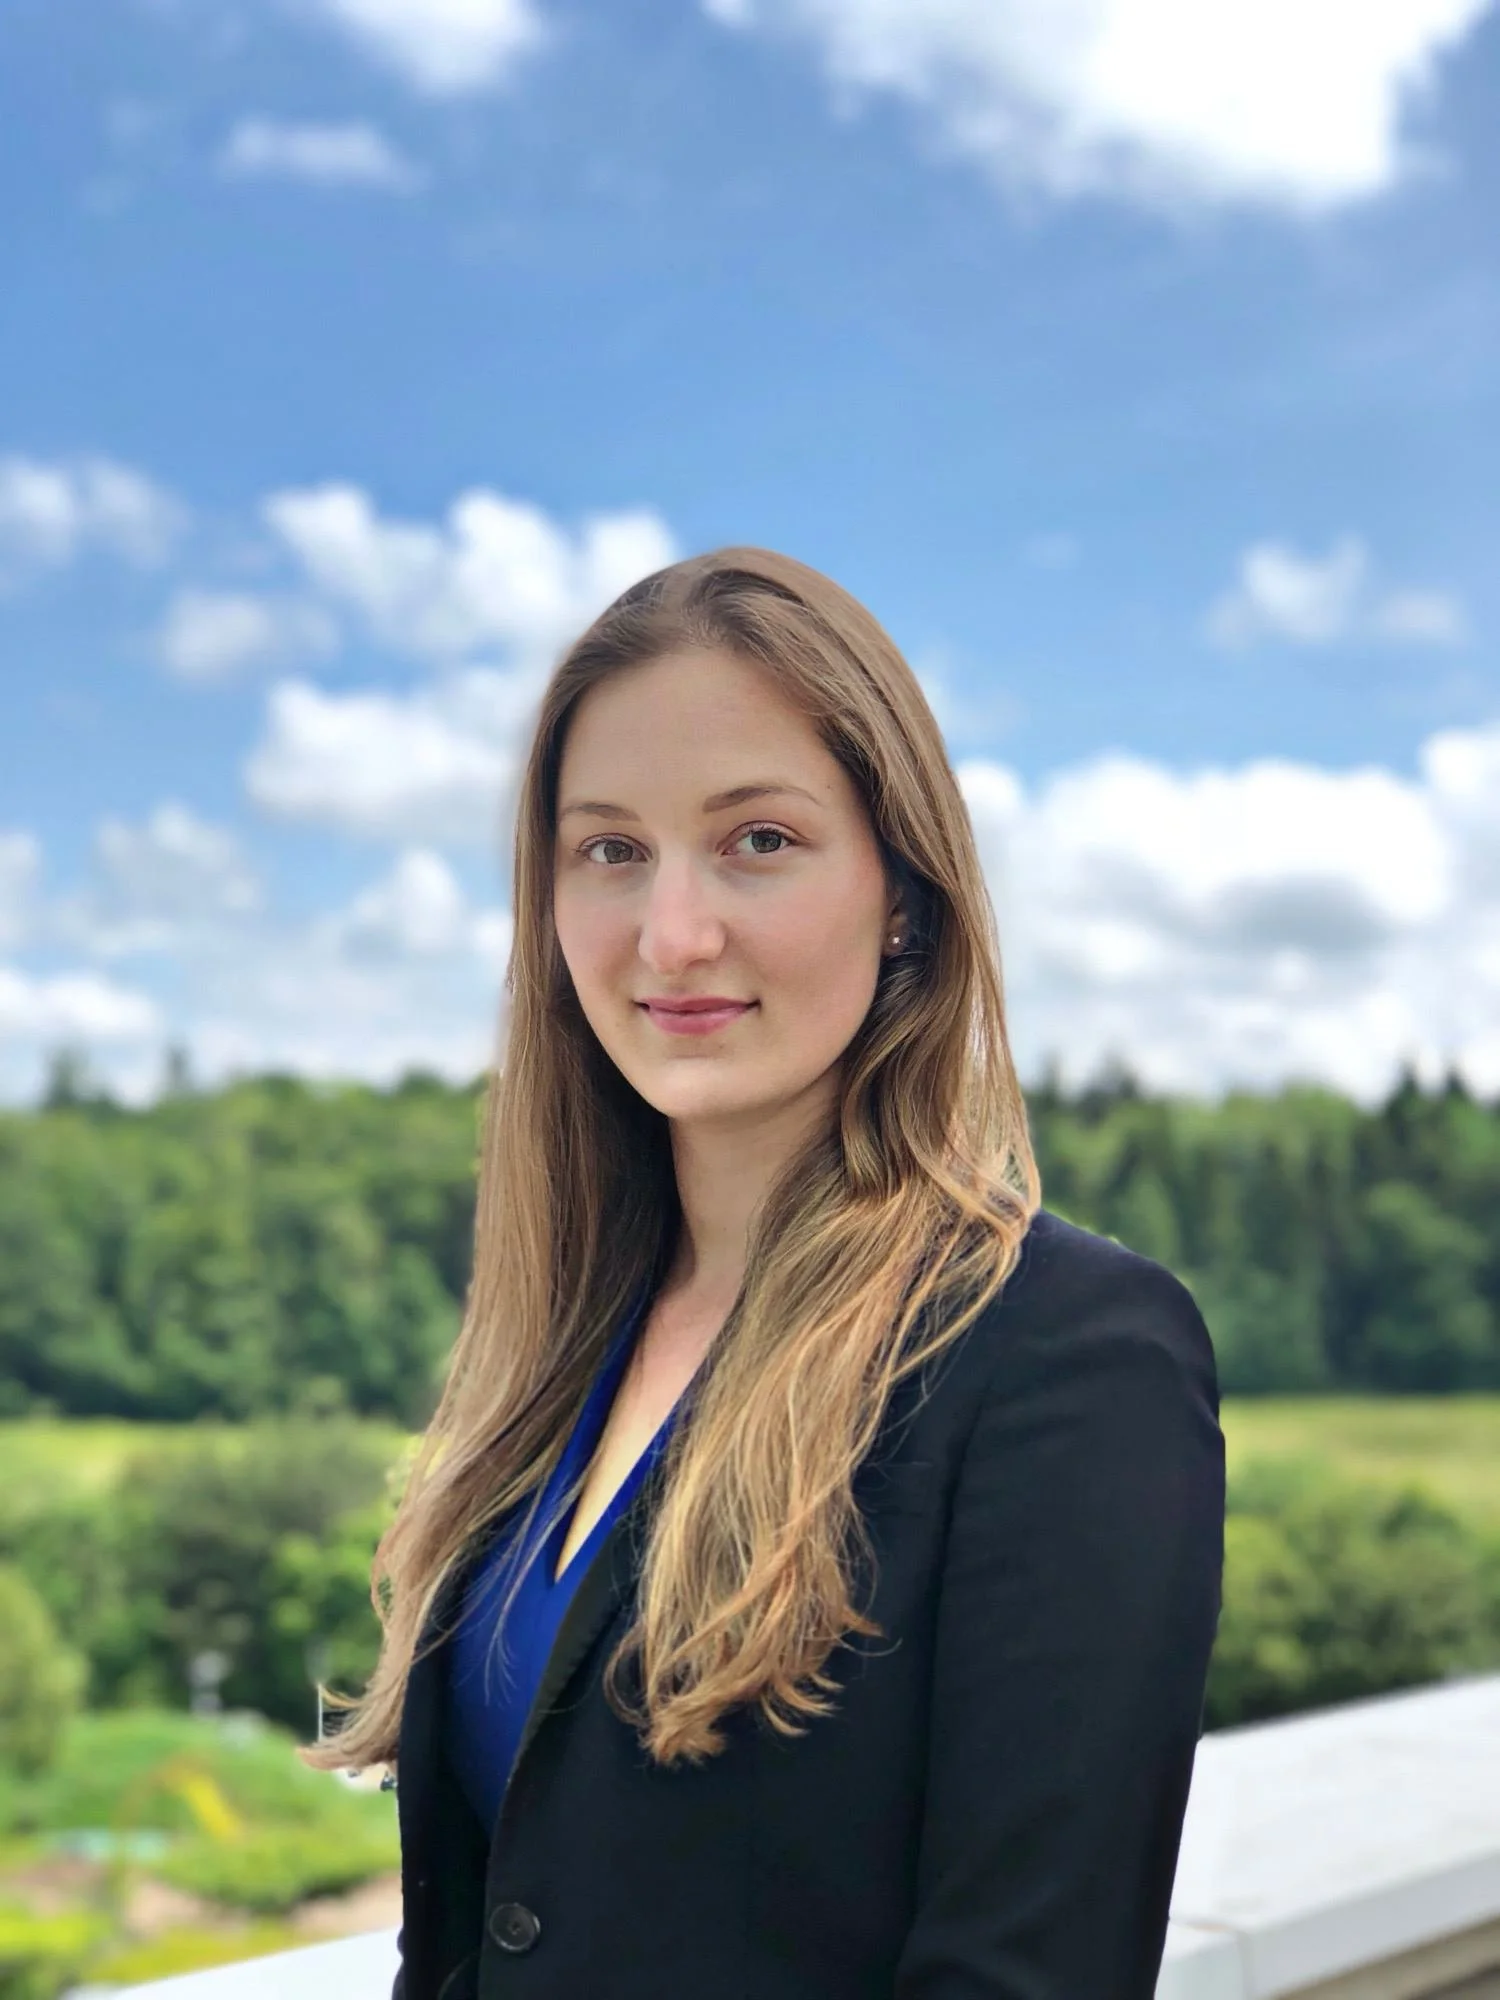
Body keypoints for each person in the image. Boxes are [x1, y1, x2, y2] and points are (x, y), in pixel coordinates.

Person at [305, 546, 1226, 1999]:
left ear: (904, 891)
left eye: (759, 840)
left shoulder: (1069, 1360)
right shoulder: (561, 1353)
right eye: (610, 851)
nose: (673, 936)